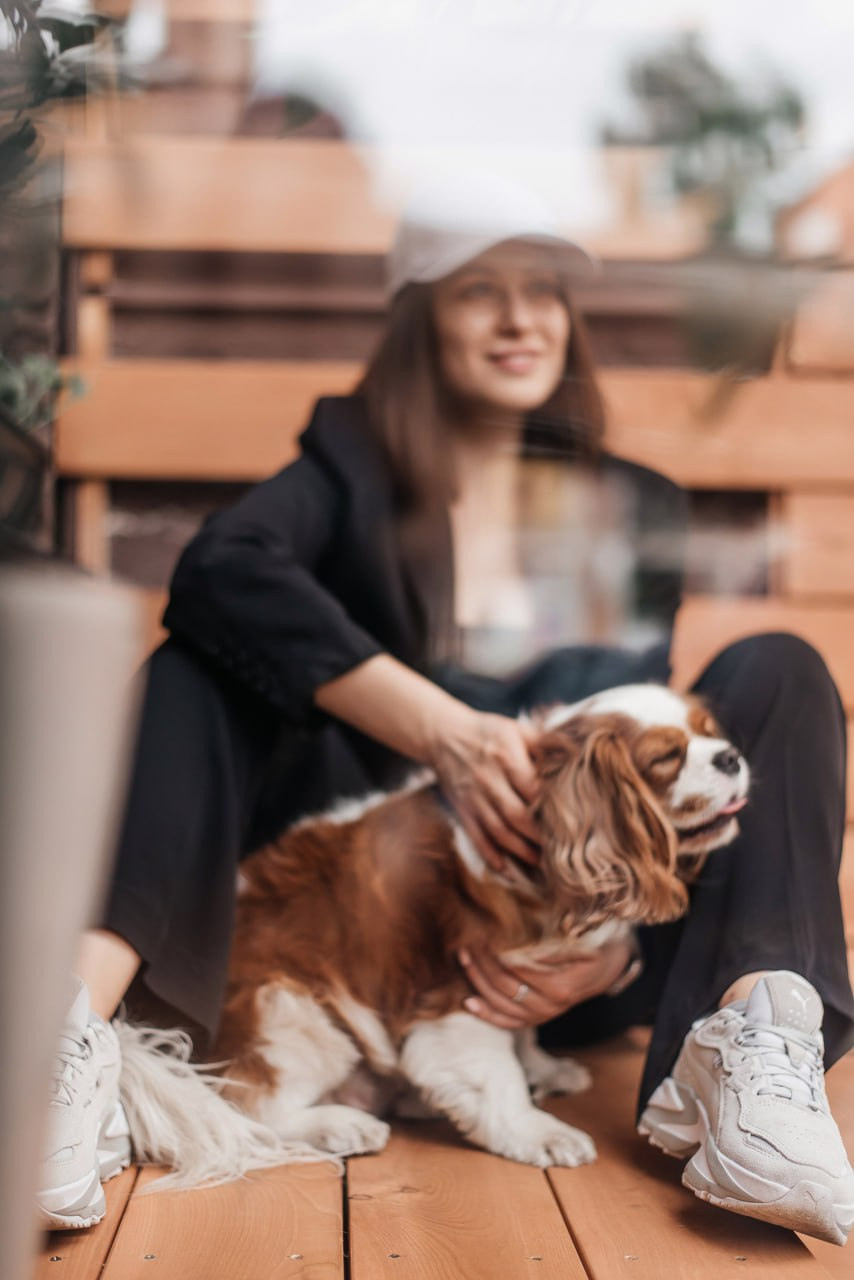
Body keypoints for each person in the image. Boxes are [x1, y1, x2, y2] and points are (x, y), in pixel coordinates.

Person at [37, 174, 854, 1246]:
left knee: (782, 665)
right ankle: (62, 1045)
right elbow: (220, 569)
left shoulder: (630, 506)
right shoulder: (348, 466)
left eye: (545, 292)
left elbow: (626, 774)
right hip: (361, 937)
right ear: (420, 319)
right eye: (482, 291)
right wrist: (441, 729)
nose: (521, 319)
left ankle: (752, 1055)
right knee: (193, 664)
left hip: (569, 948)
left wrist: (600, 951)